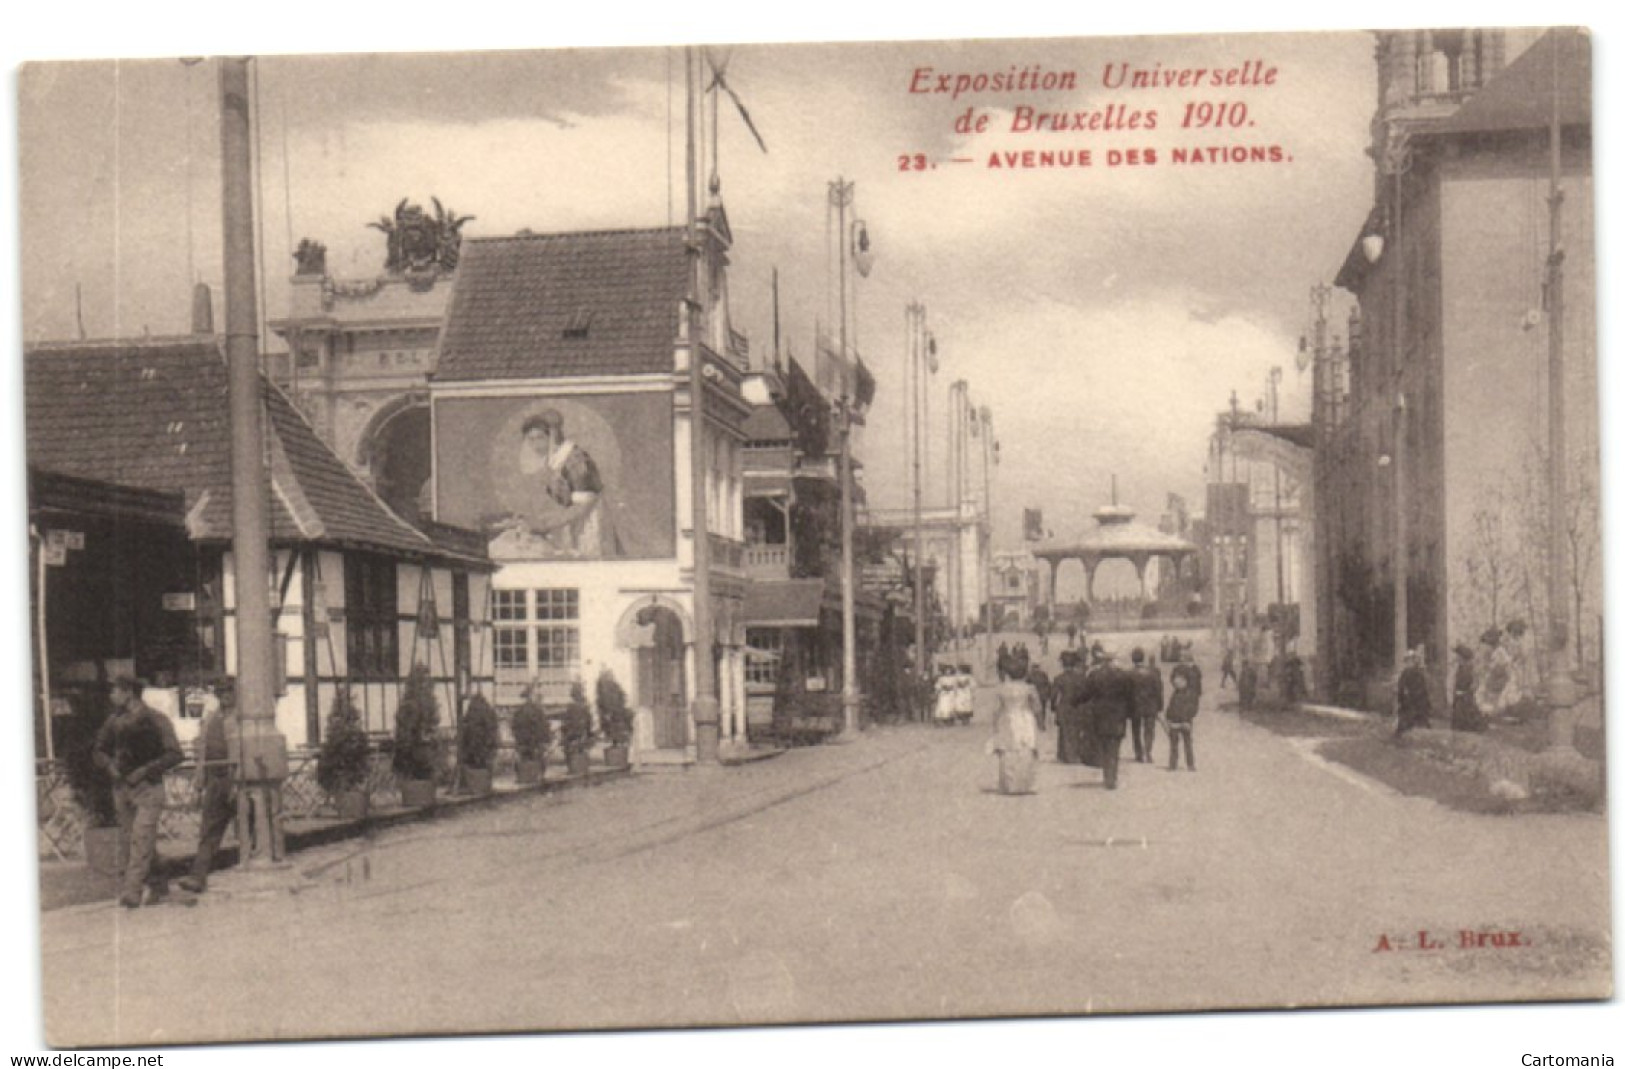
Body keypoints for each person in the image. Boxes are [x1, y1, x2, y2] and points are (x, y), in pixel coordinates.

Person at [93, 677, 185, 908]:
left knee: (141, 837)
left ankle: (132, 890)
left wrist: (145, 771)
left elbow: (174, 754)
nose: (111, 696)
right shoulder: (113, 722)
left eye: (115, 691)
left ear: (129, 692)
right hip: (121, 789)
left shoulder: (156, 720)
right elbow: (98, 750)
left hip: (148, 789)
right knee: (132, 839)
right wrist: (109, 766)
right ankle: (159, 879)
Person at [179, 679, 241, 894]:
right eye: (220, 691)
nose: (225, 695)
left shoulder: (243, 718)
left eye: (229, 691)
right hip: (215, 781)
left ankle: (249, 870)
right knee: (209, 830)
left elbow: (243, 752)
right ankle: (198, 877)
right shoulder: (211, 719)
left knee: (247, 828)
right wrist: (198, 785)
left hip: (238, 781)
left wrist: (237, 783)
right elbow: (202, 754)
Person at [1080, 650, 1136, 789]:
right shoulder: (1123, 676)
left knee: (1104, 745)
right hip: (1118, 715)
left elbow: (1086, 694)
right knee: (1114, 747)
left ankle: (1107, 776)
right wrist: (1129, 713)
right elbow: (1130, 697)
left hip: (1100, 714)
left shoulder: (1095, 675)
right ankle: (1112, 777)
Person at [986, 661, 1041, 795]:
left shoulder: (1002, 689)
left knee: (1008, 750)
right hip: (1025, 719)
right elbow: (1037, 707)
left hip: (1008, 718)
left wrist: (995, 725)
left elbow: (996, 709)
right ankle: (1026, 784)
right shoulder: (1029, 688)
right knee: (1026, 749)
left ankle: (1009, 784)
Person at [1052, 651, 1088, 763]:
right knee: (1076, 730)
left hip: (1064, 706)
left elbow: (1054, 695)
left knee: (1064, 730)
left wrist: (1054, 707)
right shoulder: (1080, 678)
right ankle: (1075, 754)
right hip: (1077, 706)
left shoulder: (1059, 678)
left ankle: (1064, 755)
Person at [1128, 648, 1163, 763]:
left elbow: (1126, 692)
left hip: (1135, 705)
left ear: (1132, 659)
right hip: (1150, 705)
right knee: (1149, 729)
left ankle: (1139, 754)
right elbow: (1158, 690)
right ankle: (1148, 752)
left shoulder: (1130, 674)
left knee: (1136, 730)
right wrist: (1160, 705)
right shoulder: (1152, 673)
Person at [1164, 663, 1200, 770]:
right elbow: (1170, 707)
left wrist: (1187, 719)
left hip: (1185, 722)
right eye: (1175, 680)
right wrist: (1168, 718)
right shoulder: (1175, 694)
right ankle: (1173, 764)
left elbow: (1193, 709)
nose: (1177, 682)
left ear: (1186, 681)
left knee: (1187, 743)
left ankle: (1190, 763)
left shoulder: (1190, 694)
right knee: (1174, 744)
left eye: (1180, 680)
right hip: (1176, 722)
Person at [1395, 647, 1433, 736]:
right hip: (1409, 704)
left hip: (1414, 704)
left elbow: (1421, 690)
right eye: (1407, 661)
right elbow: (1401, 688)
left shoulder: (1416, 673)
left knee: (1415, 725)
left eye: (1410, 661)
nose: (1408, 663)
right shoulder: (1407, 673)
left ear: (1413, 661)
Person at [1450, 645, 1486, 733]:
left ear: (1463, 657)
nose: (1457, 658)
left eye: (1458, 656)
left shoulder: (1470, 668)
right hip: (1459, 696)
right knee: (1458, 716)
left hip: (1466, 697)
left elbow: (1475, 683)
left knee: (1467, 715)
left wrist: (1466, 692)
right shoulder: (1460, 668)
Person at [1028, 662, 1053, 732]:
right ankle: (1042, 724)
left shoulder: (1030, 675)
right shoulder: (1043, 674)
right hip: (1042, 695)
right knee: (1042, 709)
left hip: (1033, 695)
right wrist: (1048, 694)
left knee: (1033, 709)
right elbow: (1048, 684)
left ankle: (1036, 724)